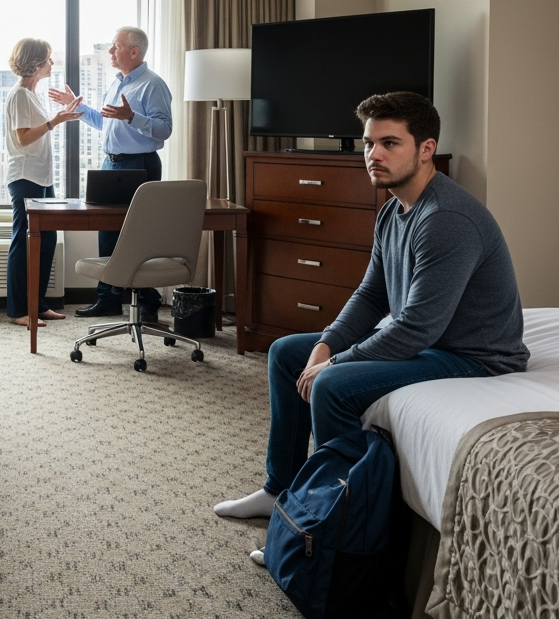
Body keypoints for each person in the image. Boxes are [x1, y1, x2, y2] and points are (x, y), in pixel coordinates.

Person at [214, 92, 529, 521]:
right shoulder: (392, 210)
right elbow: (371, 295)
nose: (373, 154)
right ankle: (280, 489)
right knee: (287, 353)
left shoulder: (446, 219)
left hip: (473, 356)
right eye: (368, 143)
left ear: (426, 149)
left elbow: (418, 328)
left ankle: (332, 523)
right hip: (432, 343)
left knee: (332, 385)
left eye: (390, 143)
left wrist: (337, 363)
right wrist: (327, 345)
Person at [48, 26, 173, 321]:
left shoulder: (152, 85)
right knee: (107, 229)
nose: (110, 52)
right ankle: (107, 298)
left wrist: (132, 116)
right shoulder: (118, 83)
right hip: (112, 164)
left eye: (116, 46)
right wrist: (74, 105)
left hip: (139, 165)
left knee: (138, 233)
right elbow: (105, 122)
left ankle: (147, 299)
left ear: (134, 51)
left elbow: (164, 129)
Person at [3, 38, 83, 328]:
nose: (52, 63)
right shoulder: (20, 95)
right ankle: (18, 310)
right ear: (35, 63)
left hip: (41, 177)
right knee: (23, 242)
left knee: (47, 238)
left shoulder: (31, 94)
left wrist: (60, 115)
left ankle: (37, 304)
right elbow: (23, 137)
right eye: (48, 59)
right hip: (26, 176)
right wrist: (55, 121)